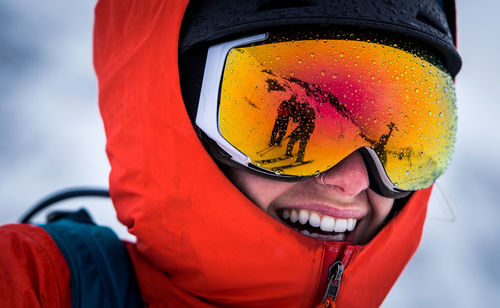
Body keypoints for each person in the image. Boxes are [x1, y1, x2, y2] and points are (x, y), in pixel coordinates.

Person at [0, 0, 461, 307]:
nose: (354, 180)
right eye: (287, 123)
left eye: (399, 137)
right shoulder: (37, 284)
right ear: (169, 106)